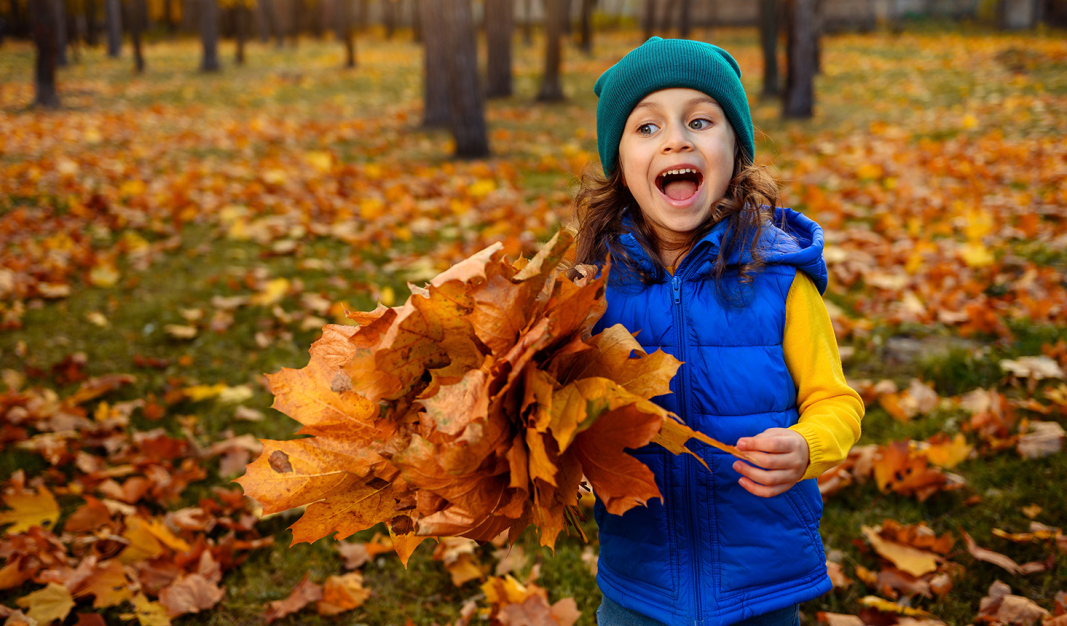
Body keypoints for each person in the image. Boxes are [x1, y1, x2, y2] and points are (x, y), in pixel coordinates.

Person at [573, 37, 865, 626]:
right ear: (621, 166)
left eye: (700, 120)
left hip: (760, 583)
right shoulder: (591, 291)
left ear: (736, 150)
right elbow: (560, 404)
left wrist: (807, 447)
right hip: (640, 582)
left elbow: (836, 400)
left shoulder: (782, 283)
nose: (676, 139)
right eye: (647, 128)